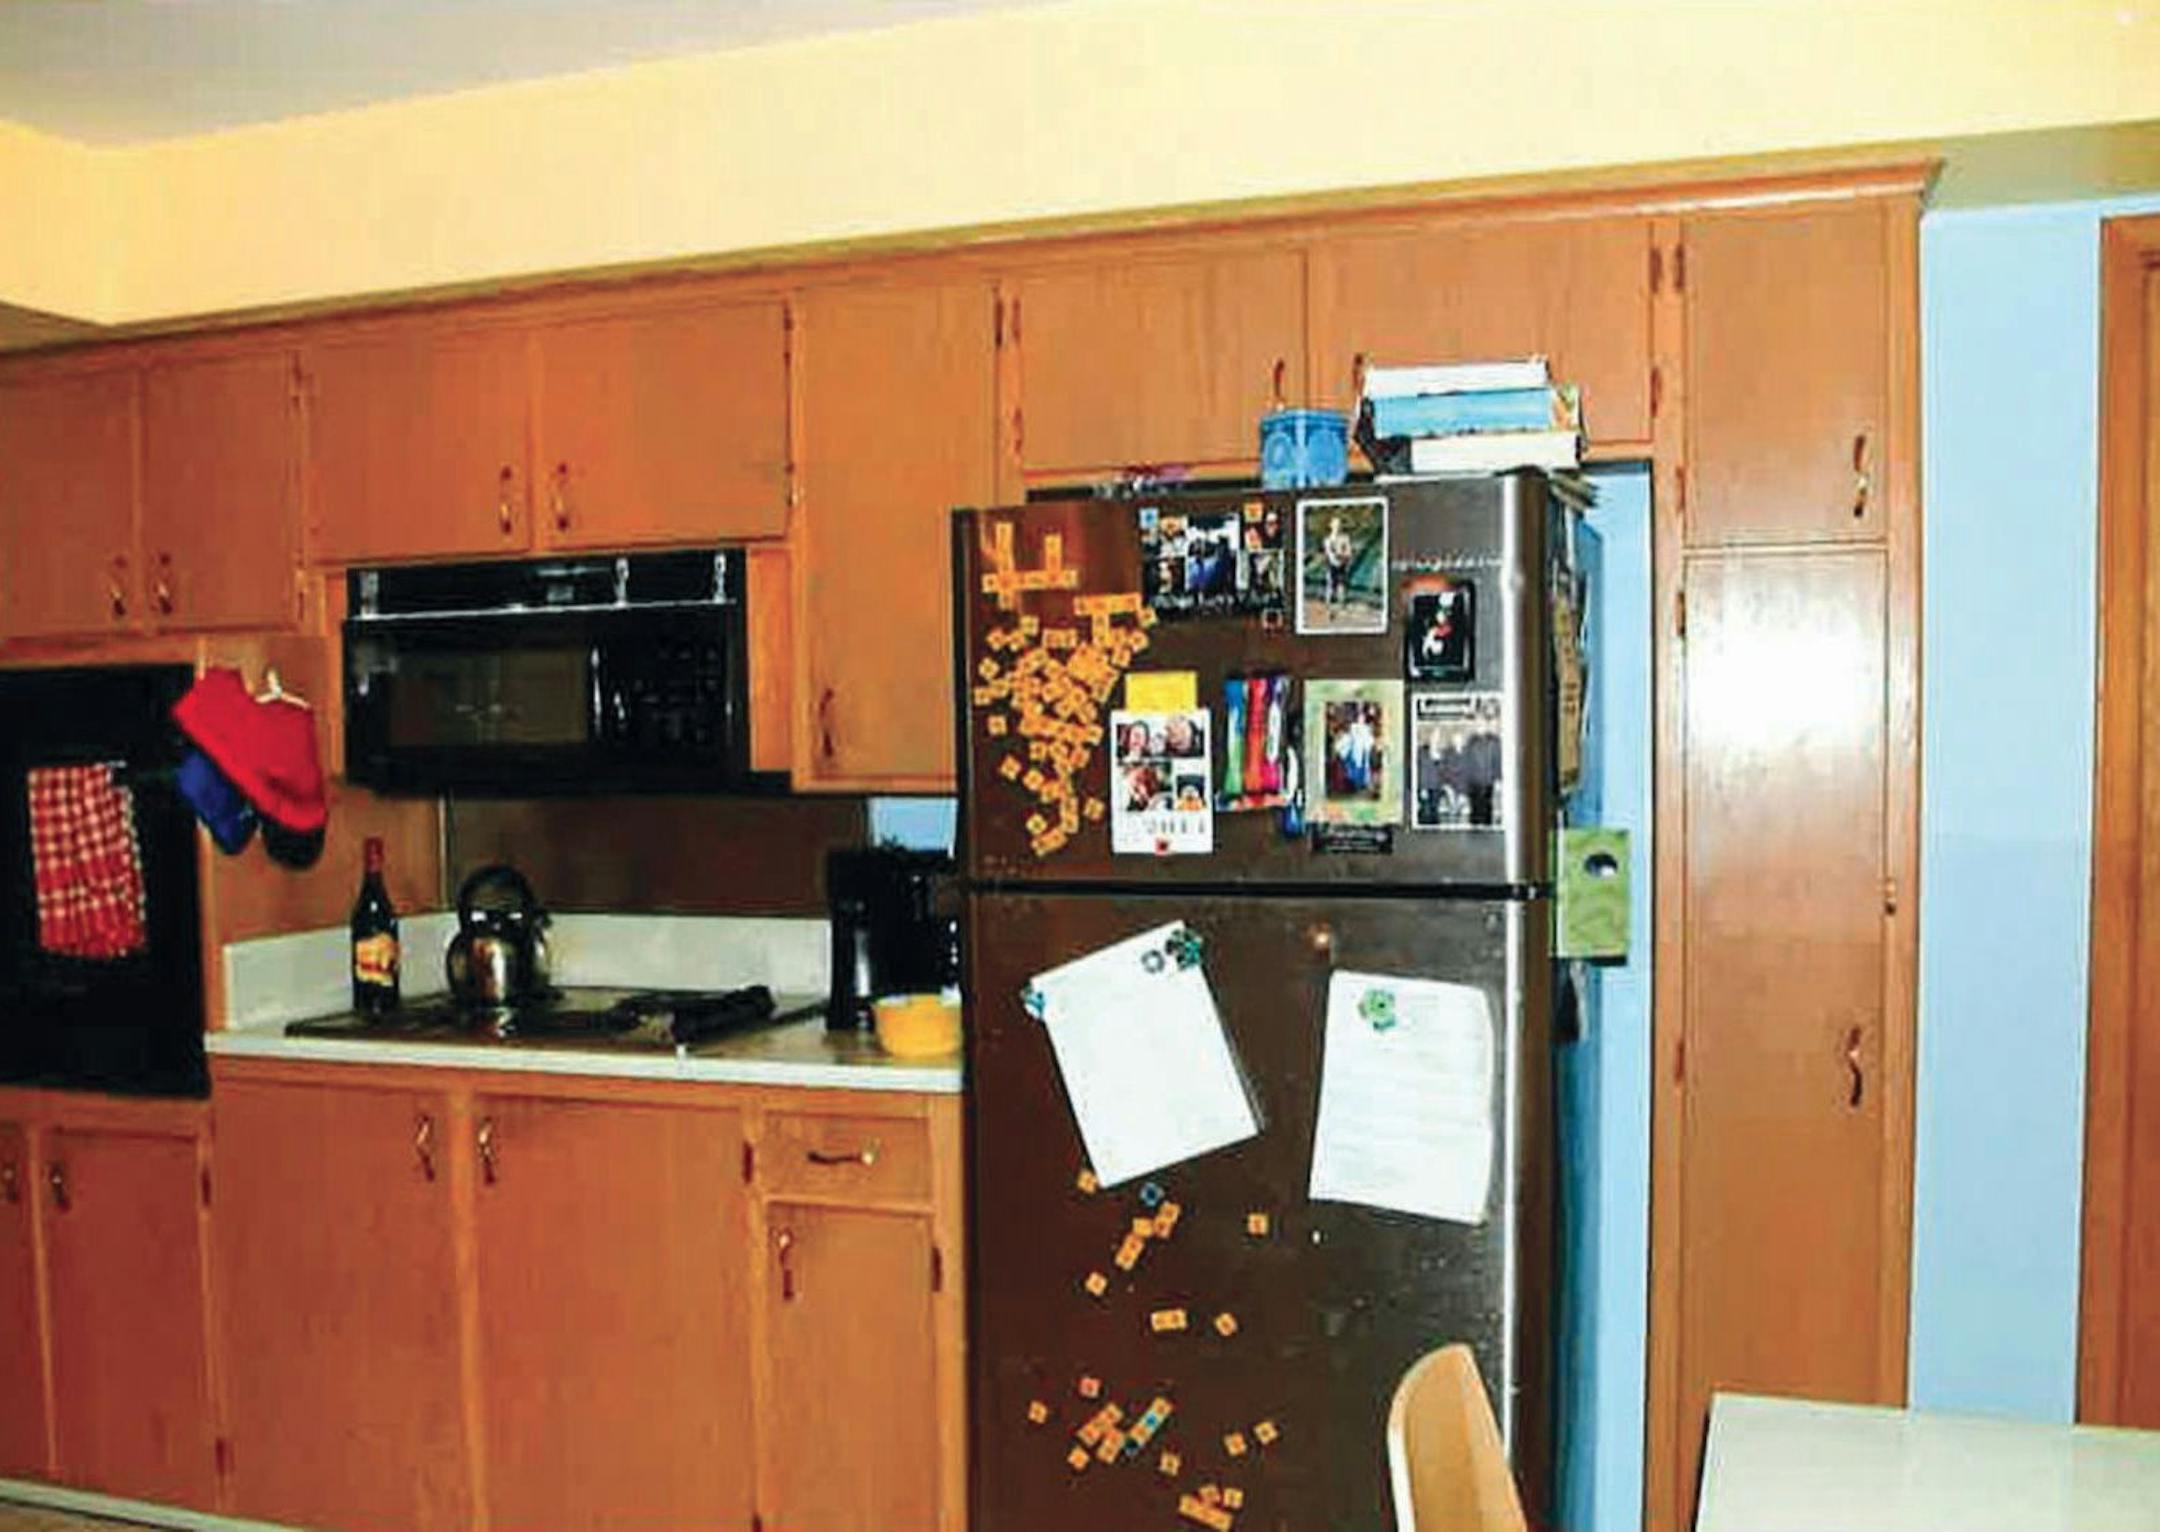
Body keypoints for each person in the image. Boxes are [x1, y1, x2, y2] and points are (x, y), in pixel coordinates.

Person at [1323, 515, 1355, 616]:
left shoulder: (1345, 538)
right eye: (1335, 524)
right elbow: (1330, 554)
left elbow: (1349, 552)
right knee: (1331, 585)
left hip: (1342, 564)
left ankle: (1342, 605)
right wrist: (1337, 557)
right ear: (1331, 526)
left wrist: (1343, 557)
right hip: (1332, 565)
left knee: (1342, 585)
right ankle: (1328, 606)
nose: (1337, 526)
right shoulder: (1327, 540)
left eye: (1338, 525)